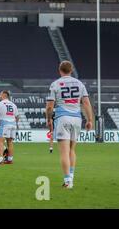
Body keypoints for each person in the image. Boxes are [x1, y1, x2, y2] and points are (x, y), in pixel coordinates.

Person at [45, 60, 93, 189]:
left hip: (62, 118)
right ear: (71, 70)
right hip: (77, 118)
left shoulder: (55, 84)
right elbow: (86, 103)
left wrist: (48, 119)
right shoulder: (80, 84)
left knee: (64, 152)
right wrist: (90, 120)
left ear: (60, 70)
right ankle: (71, 177)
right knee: (72, 150)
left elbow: (50, 107)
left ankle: (67, 181)